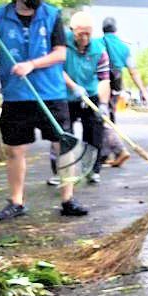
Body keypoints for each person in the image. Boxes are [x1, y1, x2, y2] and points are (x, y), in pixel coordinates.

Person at [0, 0, 89, 220]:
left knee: (64, 145)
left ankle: (68, 199)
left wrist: (31, 65)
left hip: (51, 93)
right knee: (15, 150)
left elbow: (60, 54)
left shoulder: (52, 15)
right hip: (16, 95)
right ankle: (16, 202)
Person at [62, 11, 111, 185]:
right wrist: (74, 87)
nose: (84, 37)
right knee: (64, 134)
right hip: (66, 94)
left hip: (90, 94)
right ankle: (65, 171)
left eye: (88, 33)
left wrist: (103, 104)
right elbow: (57, 70)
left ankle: (92, 169)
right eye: (80, 33)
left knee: (95, 130)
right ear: (72, 30)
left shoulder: (99, 49)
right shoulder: (61, 43)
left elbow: (104, 78)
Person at [99, 16, 148, 168]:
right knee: (110, 117)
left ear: (103, 29)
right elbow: (133, 71)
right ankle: (107, 153)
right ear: (116, 30)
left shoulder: (98, 43)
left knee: (101, 118)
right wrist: (143, 91)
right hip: (116, 83)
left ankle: (113, 151)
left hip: (101, 83)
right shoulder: (124, 47)